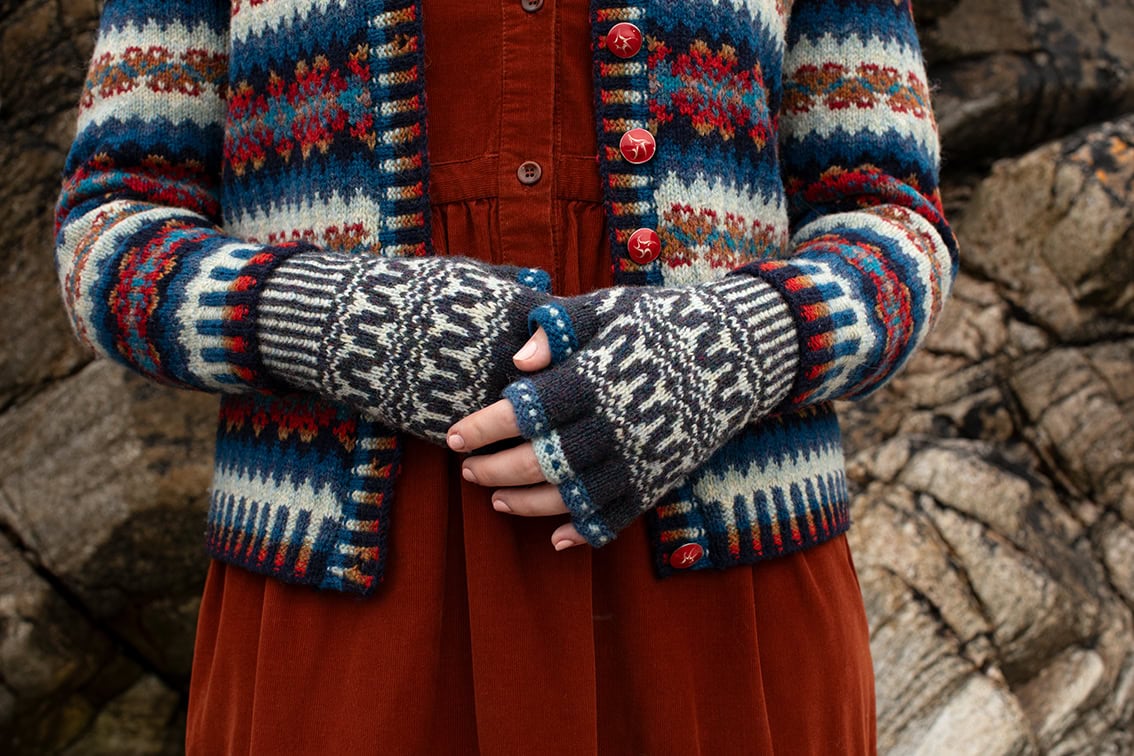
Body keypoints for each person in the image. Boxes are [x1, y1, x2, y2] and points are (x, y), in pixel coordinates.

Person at [55, 0, 957, 752]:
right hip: (344, 609)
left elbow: (891, 219)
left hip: (722, 599)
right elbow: (108, 230)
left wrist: (735, 343)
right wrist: (333, 319)